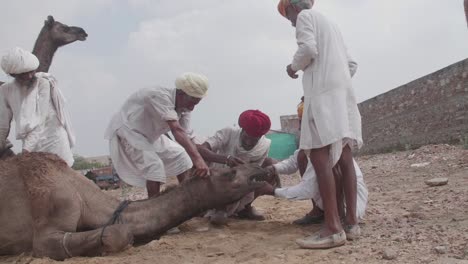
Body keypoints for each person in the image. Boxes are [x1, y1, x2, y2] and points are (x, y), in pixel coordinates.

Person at [278, 0, 363, 248]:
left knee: (318, 155)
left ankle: (333, 228)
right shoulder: (332, 25)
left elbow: (308, 50)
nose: (292, 22)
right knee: (344, 155)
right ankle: (351, 223)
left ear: (293, 7)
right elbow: (352, 64)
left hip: (322, 96)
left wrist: (292, 68)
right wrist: (336, 81)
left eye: (289, 18)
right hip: (342, 96)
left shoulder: (305, 17)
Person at [105, 72, 210, 198]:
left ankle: (188, 200)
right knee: (154, 166)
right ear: (181, 94)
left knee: (181, 156)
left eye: (196, 104)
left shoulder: (185, 108)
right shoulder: (158, 95)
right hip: (130, 132)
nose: (192, 108)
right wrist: (198, 160)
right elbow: (176, 130)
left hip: (151, 136)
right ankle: (154, 207)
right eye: (191, 102)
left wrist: (205, 161)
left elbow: (185, 136)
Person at [197, 109, 276, 225]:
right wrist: (226, 159)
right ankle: (220, 208)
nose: (249, 142)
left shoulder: (265, 145)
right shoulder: (228, 133)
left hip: (242, 181)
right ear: (242, 130)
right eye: (246, 137)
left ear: (260, 137)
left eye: (254, 140)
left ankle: (245, 208)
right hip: (217, 180)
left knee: (270, 167)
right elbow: (200, 149)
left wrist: (245, 171)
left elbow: (256, 169)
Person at [0, 47, 75, 166]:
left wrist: (26, 150)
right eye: (24, 74)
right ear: (13, 75)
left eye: (31, 71)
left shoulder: (43, 84)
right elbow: (3, 125)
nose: (30, 76)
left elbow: (40, 121)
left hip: (53, 140)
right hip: (31, 146)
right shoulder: (5, 90)